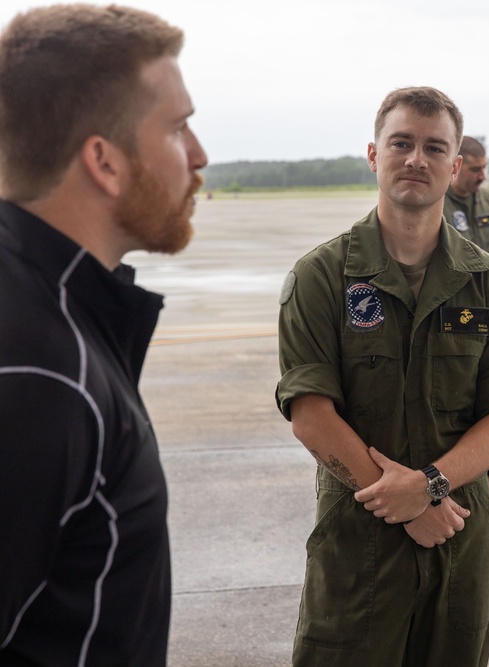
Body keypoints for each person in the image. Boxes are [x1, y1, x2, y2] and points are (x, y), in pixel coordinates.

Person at [275, 86, 489, 667]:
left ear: (455, 164)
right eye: (402, 143)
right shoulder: (322, 276)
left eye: (434, 147)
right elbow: (310, 414)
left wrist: (431, 486)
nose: (417, 158)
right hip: (358, 538)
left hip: (460, 535)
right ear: (374, 155)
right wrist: (409, 503)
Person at [0, 5, 207, 665]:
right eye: (178, 130)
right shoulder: (41, 377)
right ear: (105, 162)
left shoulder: (49, 306)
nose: (200, 157)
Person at [442, 135, 489, 260]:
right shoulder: (437, 202)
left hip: (488, 278)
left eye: (484, 168)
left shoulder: (488, 199)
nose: (482, 177)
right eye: (475, 170)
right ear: (456, 167)